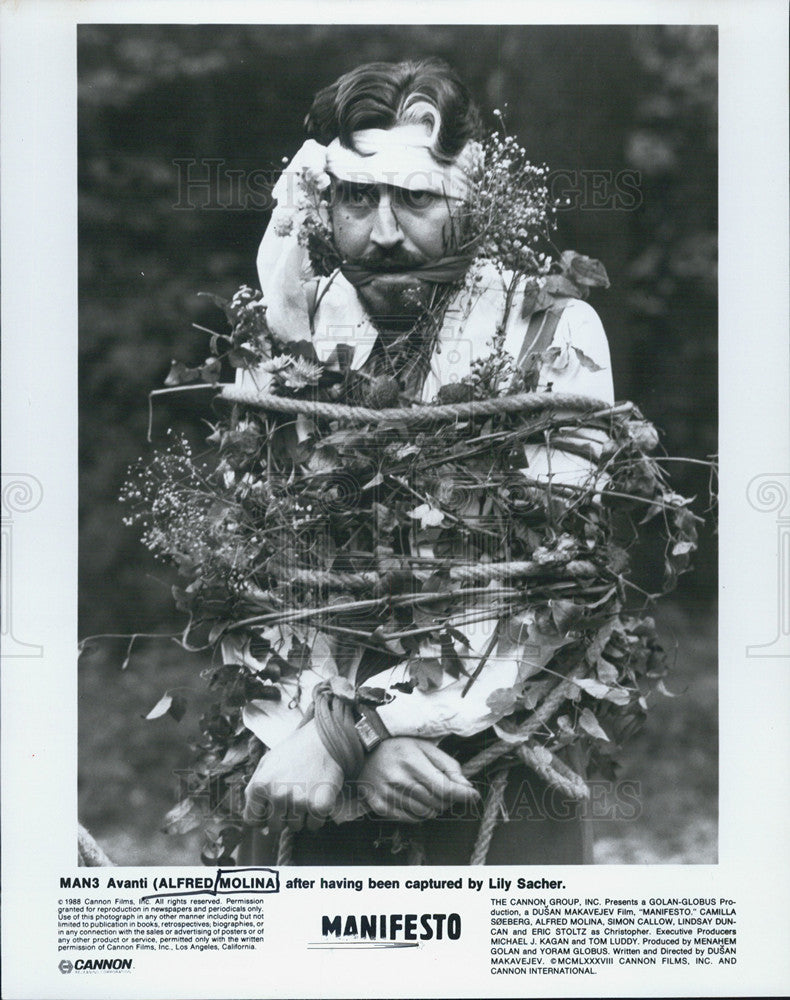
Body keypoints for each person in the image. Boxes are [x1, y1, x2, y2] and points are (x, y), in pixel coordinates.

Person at [235, 59, 615, 865]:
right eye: (356, 197)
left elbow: (547, 591)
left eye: (416, 199)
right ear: (321, 203)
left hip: (488, 768)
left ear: (470, 203)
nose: (381, 232)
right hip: (311, 780)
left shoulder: (550, 331)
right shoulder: (290, 336)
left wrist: (362, 730)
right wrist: (324, 742)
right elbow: (257, 580)